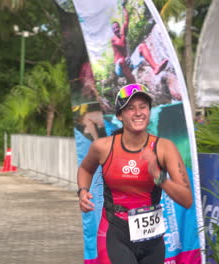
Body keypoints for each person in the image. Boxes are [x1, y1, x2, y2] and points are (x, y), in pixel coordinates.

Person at [77, 83, 193, 264]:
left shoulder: (164, 148)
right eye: (130, 108)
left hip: (152, 239)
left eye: (143, 107)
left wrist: (159, 177)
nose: (138, 112)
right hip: (115, 232)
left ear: (149, 111)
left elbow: (187, 200)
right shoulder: (103, 147)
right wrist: (83, 191)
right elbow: (85, 168)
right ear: (119, 116)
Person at [112, 0, 169, 84]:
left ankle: (155, 67)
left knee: (142, 46)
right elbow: (122, 44)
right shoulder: (113, 39)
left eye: (117, 27)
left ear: (119, 27)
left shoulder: (122, 32)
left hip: (128, 63)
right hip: (120, 68)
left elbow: (126, 19)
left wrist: (124, 7)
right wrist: (123, 33)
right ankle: (131, 82)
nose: (116, 29)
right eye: (114, 29)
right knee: (121, 61)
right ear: (113, 31)